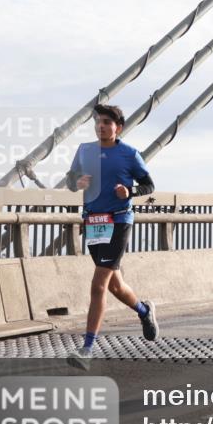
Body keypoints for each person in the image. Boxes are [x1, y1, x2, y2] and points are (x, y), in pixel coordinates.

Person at [65, 104, 158, 370]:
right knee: (115, 285)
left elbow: (149, 185)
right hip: (94, 222)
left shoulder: (129, 154)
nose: (101, 126)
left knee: (98, 285)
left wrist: (128, 191)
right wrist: (77, 183)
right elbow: (71, 181)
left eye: (106, 122)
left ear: (119, 127)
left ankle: (87, 349)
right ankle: (144, 311)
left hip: (119, 220)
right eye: (97, 121)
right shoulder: (84, 151)